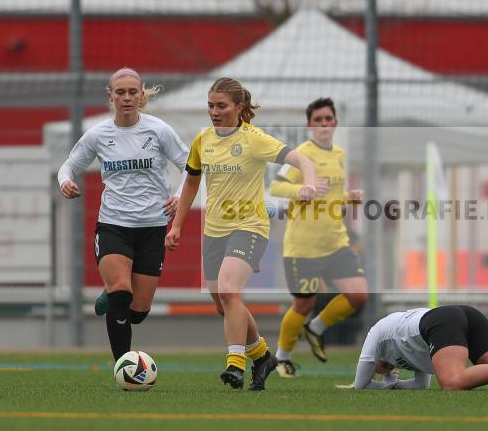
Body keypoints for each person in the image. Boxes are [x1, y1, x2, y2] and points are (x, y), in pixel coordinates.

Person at [165, 77, 317, 391]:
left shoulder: (254, 139)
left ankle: (235, 364)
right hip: (214, 231)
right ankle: (262, 357)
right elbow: (191, 181)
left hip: (250, 227)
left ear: (238, 107)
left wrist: (309, 183)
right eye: (210, 105)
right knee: (224, 304)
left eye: (221, 106)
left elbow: (301, 159)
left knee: (229, 291)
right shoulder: (203, 139)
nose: (214, 112)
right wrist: (177, 225)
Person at [57, 67, 189, 362]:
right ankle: (124, 366)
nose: (127, 97)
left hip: (153, 226)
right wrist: (65, 181)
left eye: (132, 92)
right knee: (120, 291)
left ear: (141, 96)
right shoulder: (98, 134)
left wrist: (180, 196)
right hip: (113, 224)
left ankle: (115, 294)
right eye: (120, 92)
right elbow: (68, 167)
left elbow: (190, 167)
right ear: (110, 96)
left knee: (137, 312)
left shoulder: (159, 130)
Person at [268, 98, 367, 376]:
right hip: (303, 247)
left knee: (359, 294)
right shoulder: (301, 154)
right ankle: (282, 358)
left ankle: (316, 328)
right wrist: (301, 190)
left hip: (336, 243)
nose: (324, 124)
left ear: (335, 123)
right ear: (310, 125)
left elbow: (330, 195)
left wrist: (348, 197)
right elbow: (276, 186)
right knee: (303, 304)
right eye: (318, 120)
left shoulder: (339, 155)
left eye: (328, 119)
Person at [344, 305, 488, 391]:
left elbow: (360, 385)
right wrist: (392, 383)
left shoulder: (375, 334)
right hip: (462, 315)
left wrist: (387, 383)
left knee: (451, 382)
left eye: (376, 370)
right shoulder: (403, 352)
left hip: (441, 320)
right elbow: (421, 385)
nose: (380, 371)